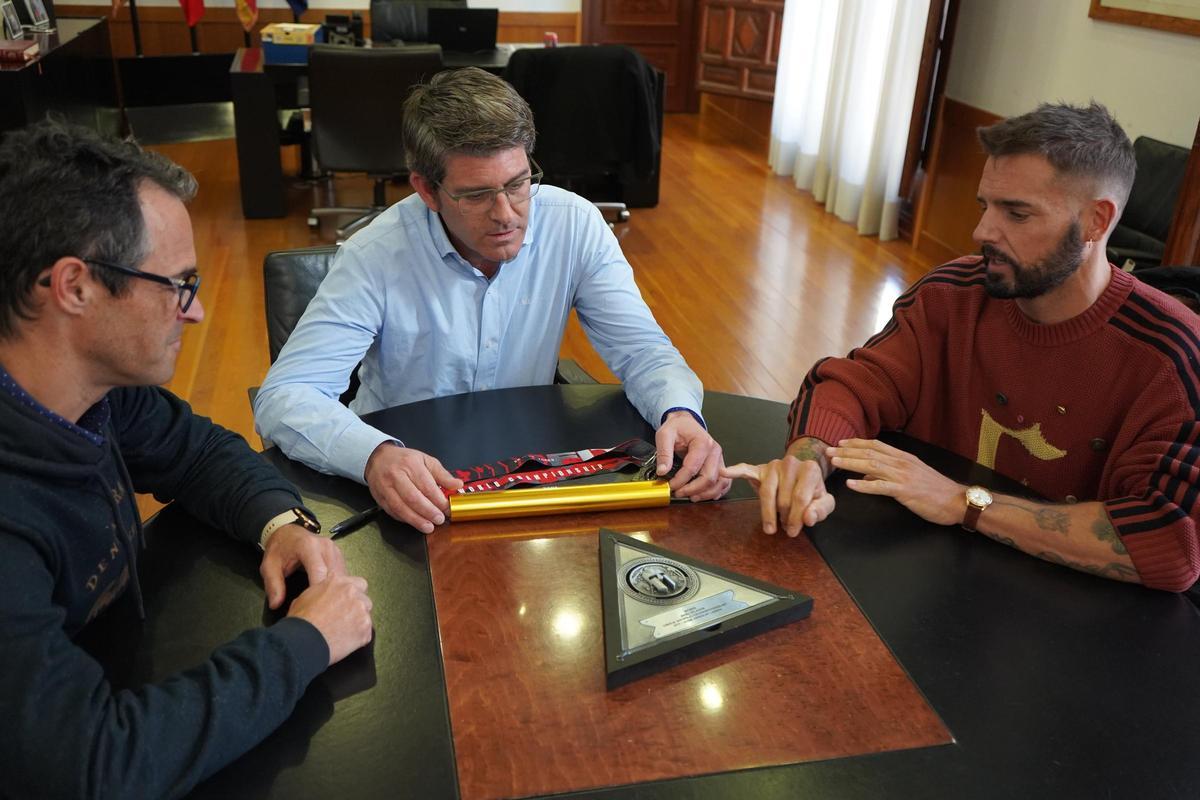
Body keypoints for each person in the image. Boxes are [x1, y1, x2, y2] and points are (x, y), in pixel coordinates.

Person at [0, 120, 374, 799]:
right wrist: (305, 642)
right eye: (177, 283)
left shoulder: (95, 391)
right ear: (74, 287)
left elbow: (198, 452)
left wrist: (281, 523)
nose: (196, 311)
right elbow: (94, 766)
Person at [724, 102, 1200, 592]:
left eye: (1016, 213)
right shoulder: (952, 294)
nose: (982, 233)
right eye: (984, 206)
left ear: (1097, 221)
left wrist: (961, 502)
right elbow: (856, 384)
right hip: (928, 584)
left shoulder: (1173, 355)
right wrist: (807, 459)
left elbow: (1166, 542)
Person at [254, 67, 729, 535]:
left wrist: (678, 412)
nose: (506, 214)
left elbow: (643, 350)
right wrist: (374, 456)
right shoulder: (374, 255)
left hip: (526, 469)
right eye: (477, 194)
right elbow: (285, 397)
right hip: (405, 475)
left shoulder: (576, 225)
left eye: (518, 183)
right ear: (426, 190)